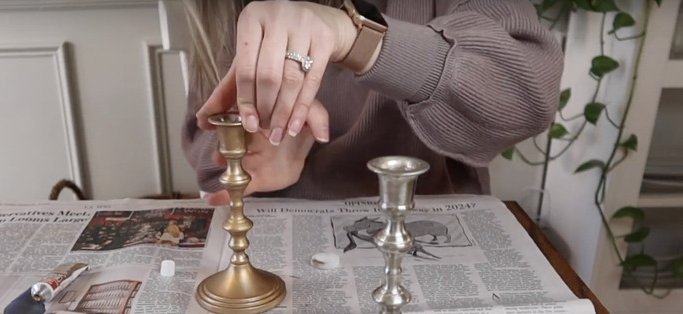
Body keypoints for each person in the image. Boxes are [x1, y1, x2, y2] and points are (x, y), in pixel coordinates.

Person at [182, 0, 564, 206]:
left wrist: (357, 38)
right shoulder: (222, 11)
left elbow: (525, 96)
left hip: (431, 228)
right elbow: (209, 158)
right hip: (278, 234)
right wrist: (263, 137)